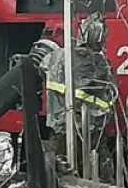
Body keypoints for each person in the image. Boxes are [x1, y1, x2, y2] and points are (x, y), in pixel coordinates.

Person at [41, 13, 119, 179]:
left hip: (61, 125)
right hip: (92, 129)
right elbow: (109, 93)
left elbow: (42, 67)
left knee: (54, 174)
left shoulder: (58, 56)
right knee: (102, 176)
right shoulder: (100, 63)